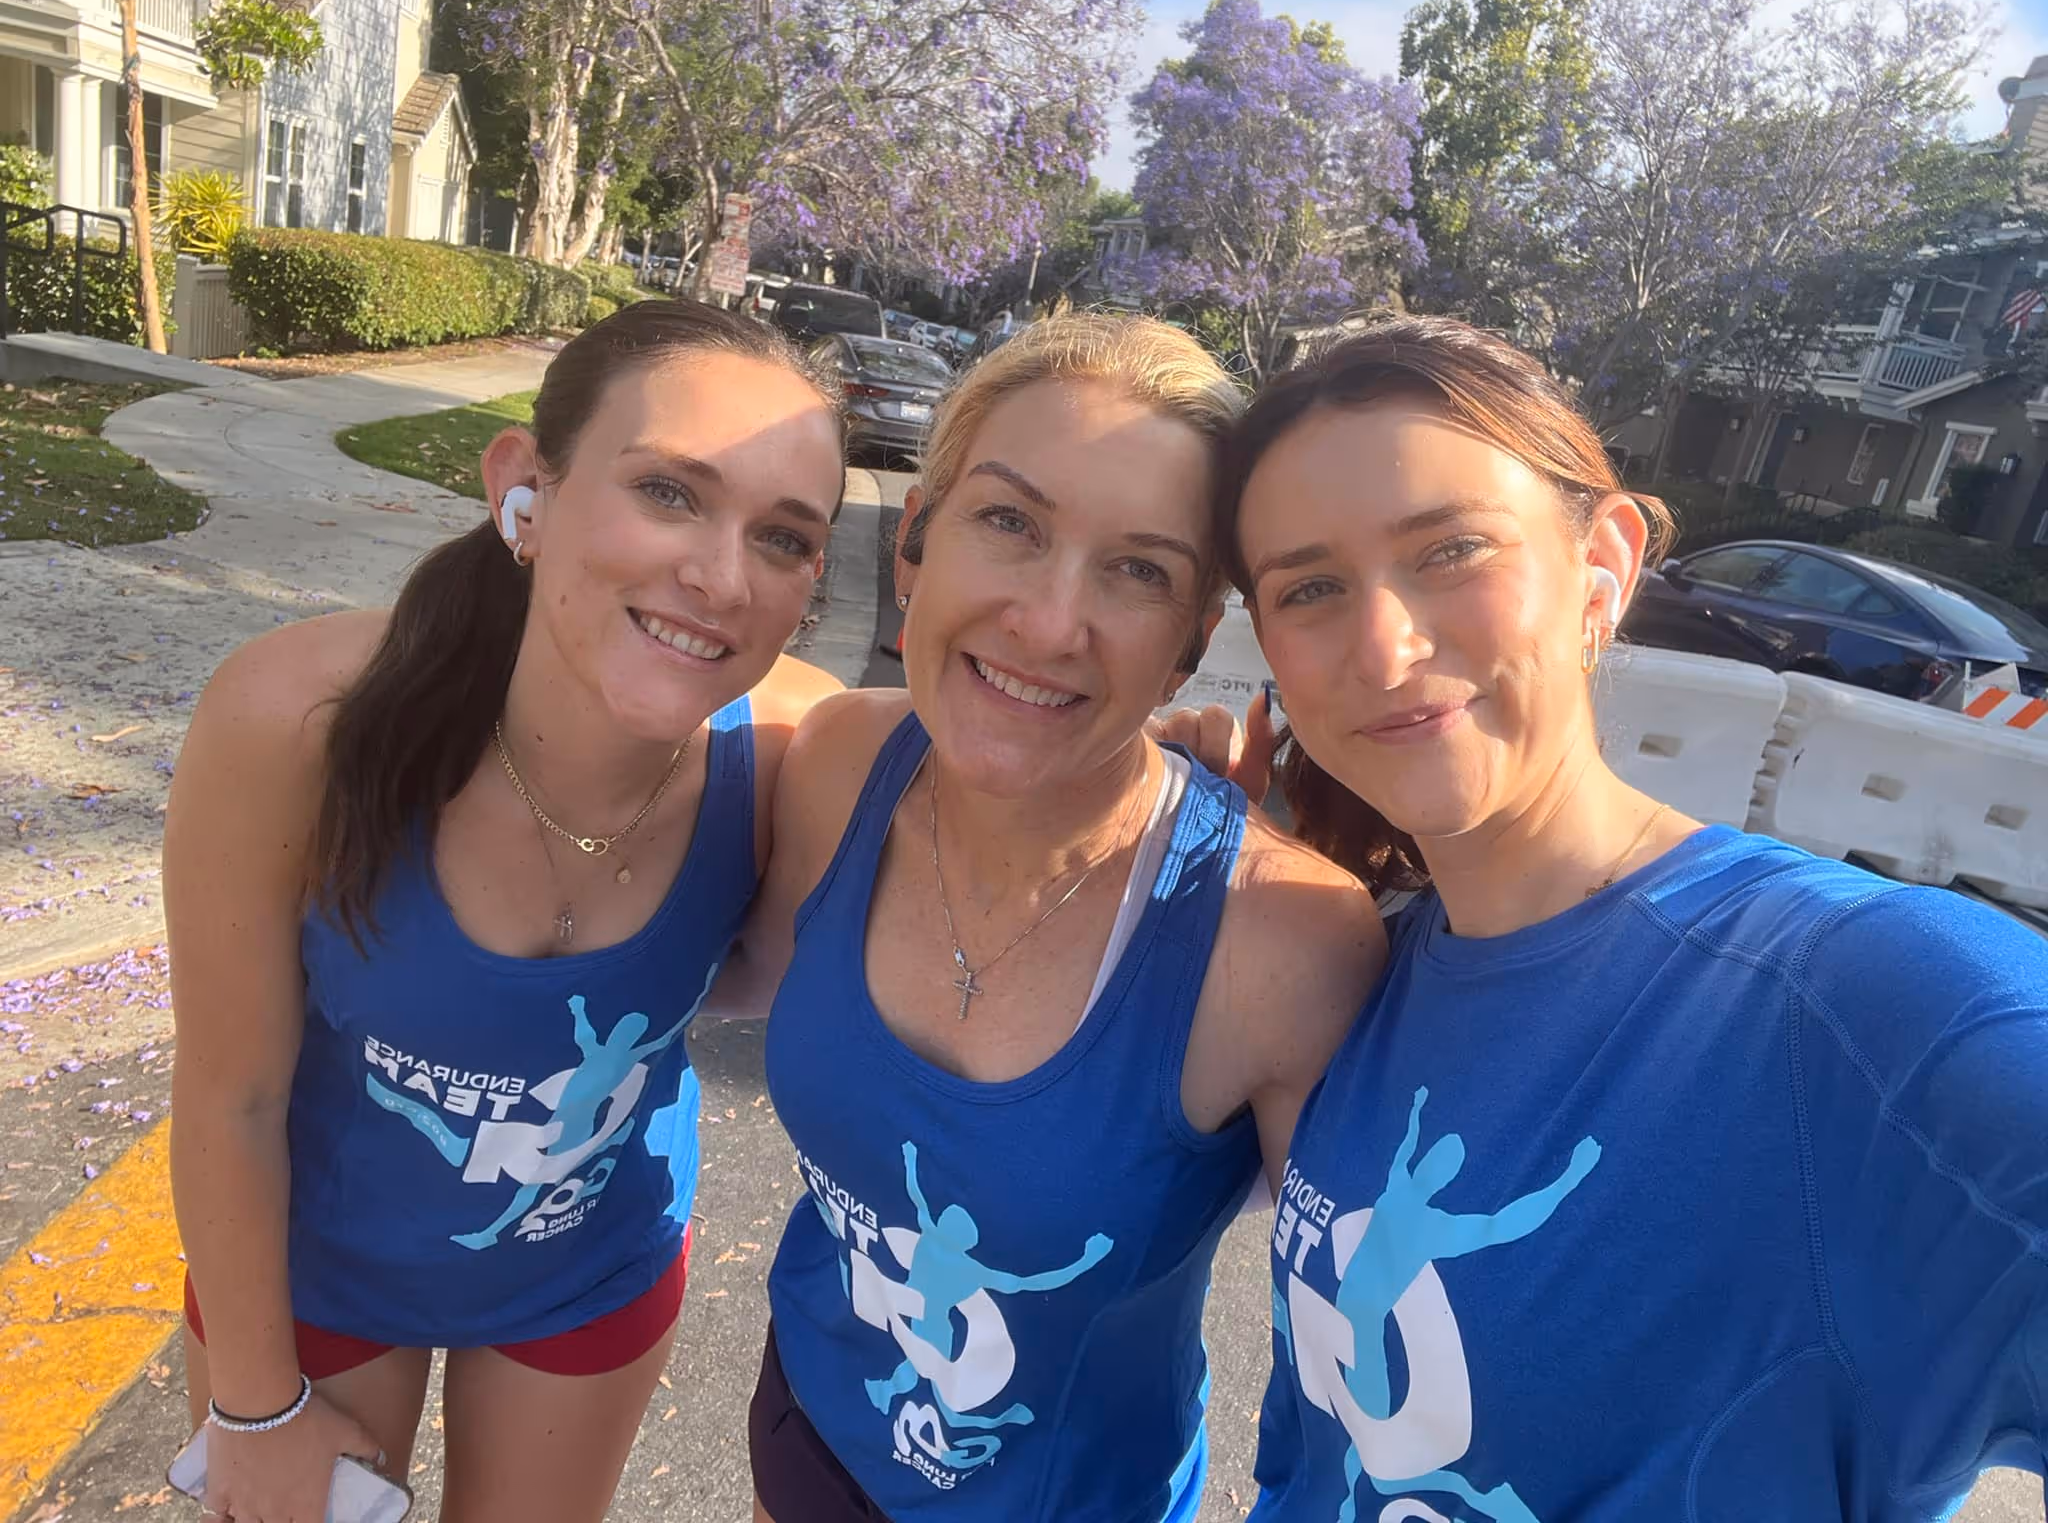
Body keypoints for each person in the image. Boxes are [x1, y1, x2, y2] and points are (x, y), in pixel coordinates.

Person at [1220, 316, 2048, 1521]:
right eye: (1309, 588)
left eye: (1449, 549)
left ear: (1601, 567)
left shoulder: (1874, 1002)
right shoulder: (1364, 968)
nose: (1384, 648)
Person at [164, 299, 848, 1523]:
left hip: (585, 1269)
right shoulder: (298, 720)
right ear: (526, 488)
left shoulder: (799, 749)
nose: (720, 576)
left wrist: (1157, 774)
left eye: (786, 539)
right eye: (670, 492)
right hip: (312, 1265)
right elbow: (232, 1094)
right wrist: (253, 1410)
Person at [713, 313, 1385, 1522]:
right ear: (916, 538)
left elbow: (1366, 1374)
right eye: (1010, 522)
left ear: (1190, 643)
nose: (1046, 620)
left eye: (1139, 570)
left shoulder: (1278, 939)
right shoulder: (840, 764)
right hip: (806, 1433)